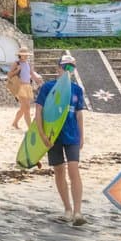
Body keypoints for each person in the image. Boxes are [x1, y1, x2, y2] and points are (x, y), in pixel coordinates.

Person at [34, 52, 89, 225]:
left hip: (72, 135)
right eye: (65, 66)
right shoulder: (47, 87)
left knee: (74, 170)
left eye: (71, 67)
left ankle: (78, 212)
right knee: (59, 171)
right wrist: (42, 135)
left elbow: (79, 114)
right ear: (58, 68)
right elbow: (38, 112)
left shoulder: (77, 89)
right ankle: (67, 209)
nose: (68, 70)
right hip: (53, 136)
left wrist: (82, 135)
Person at [8, 47, 41, 131]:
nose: (26, 56)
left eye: (26, 55)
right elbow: (9, 75)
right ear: (20, 55)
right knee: (27, 108)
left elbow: (32, 74)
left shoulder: (28, 64)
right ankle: (30, 128)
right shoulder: (16, 63)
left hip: (28, 87)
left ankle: (15, 123)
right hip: (20, 87)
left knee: (23, 108)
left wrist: (38, 80)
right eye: (24, 55)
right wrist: (17, 70)